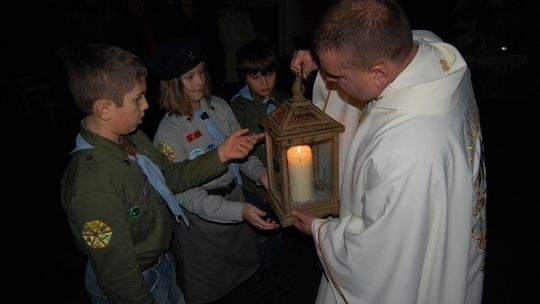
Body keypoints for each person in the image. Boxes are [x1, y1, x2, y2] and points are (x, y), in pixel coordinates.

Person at [291, 1, 487, 304]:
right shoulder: (432, 53)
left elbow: (377, 258)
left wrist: (319, 230)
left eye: (336, 77)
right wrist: (325, 62)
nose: (330, 83)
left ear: (380, 74)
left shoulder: (407, 150)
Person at [60, 43, 262, 304]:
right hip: (138, 281)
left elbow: (172, 177)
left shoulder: (132, 138)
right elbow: (119, 274)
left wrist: (221, 155)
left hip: (160, 263)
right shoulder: (92, 185)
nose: (146, 105)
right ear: (104, 109)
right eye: (137, 99)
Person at [147, 36, 280, 303]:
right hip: (203, 225)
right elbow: (185, 194)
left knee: (239, 274)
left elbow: (242, 154)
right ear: (172, 84)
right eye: (189, 77)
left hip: (235, 199)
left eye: (201, 72)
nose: (199, 82)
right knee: (212, 287)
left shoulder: (219, 106)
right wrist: (238, 211)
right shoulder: (168, 134)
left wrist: (261, 174)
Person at [229, 38, 292, 298]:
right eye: (256, 77)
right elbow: (238, 150)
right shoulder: (238, 107)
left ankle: (270, 269)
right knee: (261, 233)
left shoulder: (286, 100)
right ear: (245, 77)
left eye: (269, 74)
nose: (265, 83)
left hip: (284, 177)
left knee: (276, 229)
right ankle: (258, 274)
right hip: (255, 184)